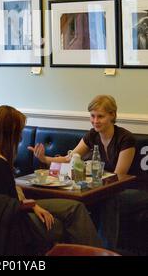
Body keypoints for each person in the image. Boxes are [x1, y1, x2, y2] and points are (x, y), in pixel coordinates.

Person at [0, 105, 101, 256]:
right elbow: (9, 205)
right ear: (11, 132)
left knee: (75, 208)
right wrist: (33, 206)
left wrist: (32, 205)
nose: (21, 136)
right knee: (68, 224)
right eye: (20, 131)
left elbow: (7, 200)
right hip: (9, 223)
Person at [29, 94, 146, 250]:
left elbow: (119, 177)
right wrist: (45, 159)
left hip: (133, 190)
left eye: (100, 116)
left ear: (112, 115)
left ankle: (104, 251)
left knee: (109, 200)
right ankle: (75, 249)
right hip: (104, 187)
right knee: (78, 202)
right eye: (92, 116)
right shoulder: (92, 135)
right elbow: (70, 158)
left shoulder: (126, 139)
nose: (95, 121)